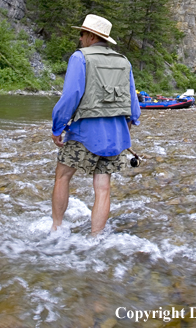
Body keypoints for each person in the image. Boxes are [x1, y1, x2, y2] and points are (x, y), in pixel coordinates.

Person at [50, 14, 141, 235]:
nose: (80, 38)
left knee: (63, 176)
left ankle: (56, 229)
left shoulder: (80, 58)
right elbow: (132, 101)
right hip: (115, 136)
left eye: (82, 34)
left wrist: (57, 127)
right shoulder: (124, 61)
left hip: (85, 133)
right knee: (103, 187)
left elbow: (71, 95)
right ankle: (95, 239)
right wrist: (130, 124)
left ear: (91, 35)